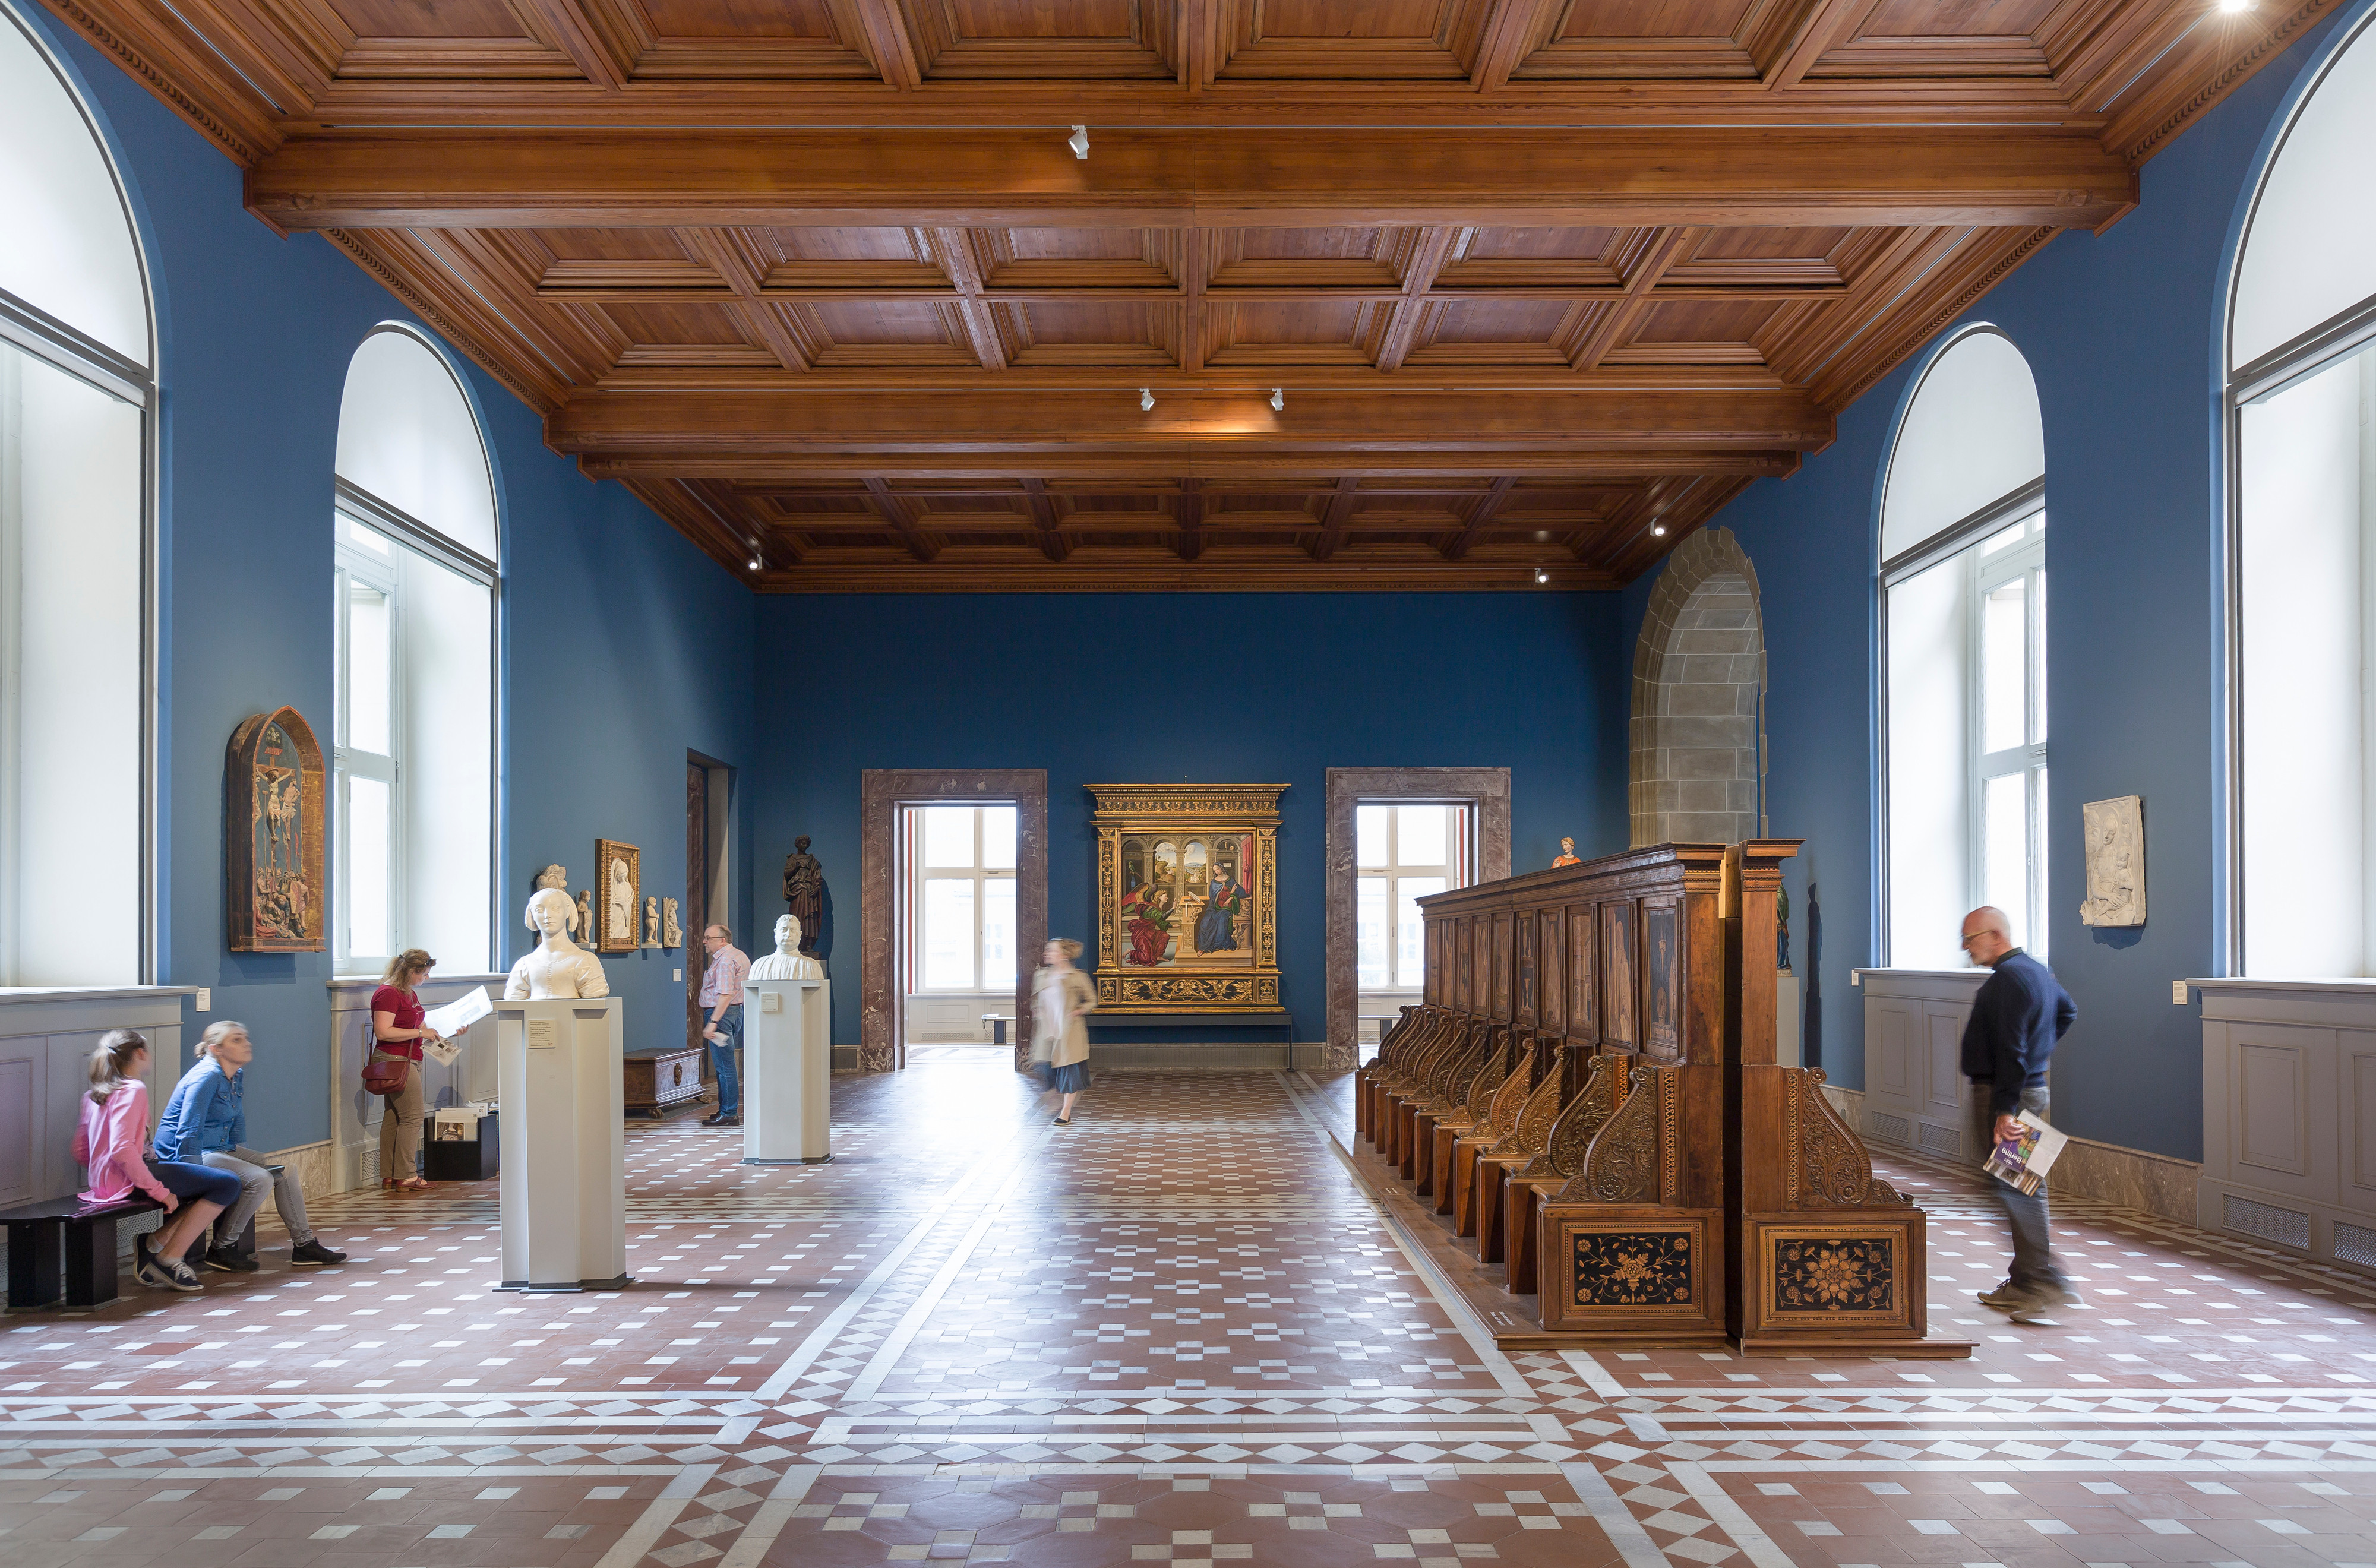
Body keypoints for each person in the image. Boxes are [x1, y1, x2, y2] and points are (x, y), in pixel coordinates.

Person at [1958, 905, 2080, 1324]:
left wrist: (2005, 1110)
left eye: (1970, 939)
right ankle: (2031, 1278)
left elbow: (2012, 1050)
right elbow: (2068, 1011)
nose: (1966, 947)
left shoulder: (2008, 981)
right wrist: (2040, 1054)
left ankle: (2039, 1283)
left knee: (2015, 1187)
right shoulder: (2037, 972)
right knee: (2020, 1184)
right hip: (2029, 1089)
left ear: (1996, 936)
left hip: (2007, 1095)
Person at [155, 1020, 346, 1270]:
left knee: (286, 1171)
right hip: (189, 1154)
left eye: (245, 1038)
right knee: (260, 1179)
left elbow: (237, 1119)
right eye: (237, 1040)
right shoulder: (206, 1077)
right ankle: (222, 1248)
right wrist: (192, 1175)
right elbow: (189, 1128)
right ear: (216, 1049)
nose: (247, 1044)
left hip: (219, 1148)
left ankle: (304, 1244)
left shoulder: (235, 1075)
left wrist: (241, 1155)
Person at [74, 1029, 239, 1292]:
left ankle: (154, 1243)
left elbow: (81, 1151)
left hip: (103, 1184)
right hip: (129, 1181)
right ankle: (168, 1259)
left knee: (207, 1184)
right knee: (228, 1185)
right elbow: (123, 1151)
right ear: (140, 1053)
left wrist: (105, 1175)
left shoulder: (94, 1094)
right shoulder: (133, 1089)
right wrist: (158, 1191)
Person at [371, 949, 444, 1191]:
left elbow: (420, 1025)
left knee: (394, 1116)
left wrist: (444, 1031)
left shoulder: (407, 992)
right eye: (424, 973)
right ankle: (407, 1175)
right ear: (411, 971)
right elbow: (383, 1031)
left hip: (407, 1057)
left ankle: (391, 1175)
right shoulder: (388, 993)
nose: (427, 978)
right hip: (396, 1059)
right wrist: (421, 1032)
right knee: (413, 1116)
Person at [1031, 938, 1097, 1126]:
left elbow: (1091, 1000)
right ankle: (1055, 1099)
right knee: (1047, 1070)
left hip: (1069, 1032)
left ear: (1064, 955)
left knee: (1070, 1073)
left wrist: (1079, 1010)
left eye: (1052, 951)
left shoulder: (1077, 977)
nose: (1047, 954)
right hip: (1047, 1033)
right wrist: (1038, 1010)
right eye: (1048, 950)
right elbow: (1035, 1000)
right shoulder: (1041, 976)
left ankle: (1065, 1112)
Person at [699, 923, 750, 1128]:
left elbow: (725, 994)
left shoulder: (725, 961)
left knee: (725, 1066)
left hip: (722, 1015)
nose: (704, 941)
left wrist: (713, 1022)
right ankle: (724, 1110)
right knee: (724, 1066)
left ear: (722, 941)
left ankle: (729, 1113)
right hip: (735, 1012)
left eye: (708, 938)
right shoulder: (738, 955)